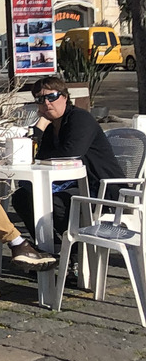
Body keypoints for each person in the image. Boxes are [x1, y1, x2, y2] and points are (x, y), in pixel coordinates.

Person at [11, 75, 121, 249]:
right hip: (69, 183)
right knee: (21, 197)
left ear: (65, 97)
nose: (47, 103)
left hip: (98, 187)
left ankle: (76, 254)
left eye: (52, 96)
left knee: (55, 202)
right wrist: (40, 126)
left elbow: (71, 153)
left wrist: (43, 147)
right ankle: (50, 248)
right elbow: (36, 155)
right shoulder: (51, 124)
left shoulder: (80, 119)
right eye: (40, 99)